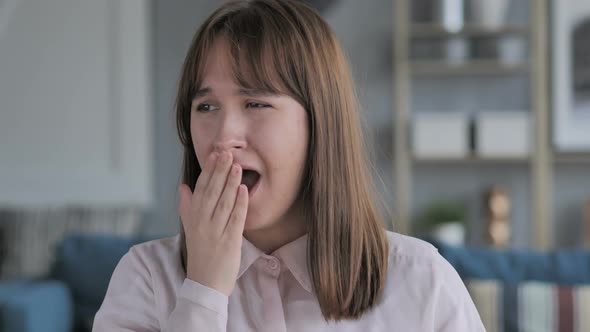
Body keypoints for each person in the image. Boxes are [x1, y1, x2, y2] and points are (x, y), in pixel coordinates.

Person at [93, 0, 485, 331]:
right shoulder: (145, 279)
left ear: (320, 123)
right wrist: (203, 292)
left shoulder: (422, 281)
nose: (224, 136)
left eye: (256, 103)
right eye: (206, 106)